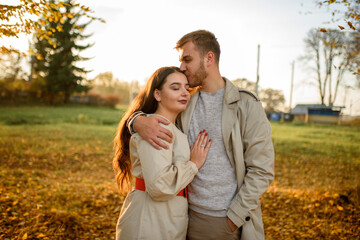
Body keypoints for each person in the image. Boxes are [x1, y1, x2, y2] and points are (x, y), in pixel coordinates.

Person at [128, 30, 275, 240]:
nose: (181, 67)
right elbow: (155, 108)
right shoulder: (184, 102)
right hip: (178, 215)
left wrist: (235, 216)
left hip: (220, 220)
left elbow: (262, 169)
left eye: (187, 59)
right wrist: (137, 121)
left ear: (209, 58)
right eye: (180, 61)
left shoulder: (246, 104)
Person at [113, 66, 211, 240]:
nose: (184, 93)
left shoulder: (171, 128)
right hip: (149, 220)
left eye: (186, 88)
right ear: (157, 95)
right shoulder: (155, 128)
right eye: (175, 88)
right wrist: (193, 165)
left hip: (167, 218)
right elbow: (159, 186)